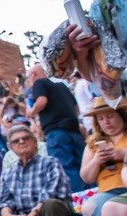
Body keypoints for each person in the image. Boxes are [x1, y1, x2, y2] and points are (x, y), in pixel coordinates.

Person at [25, 65, 88, 193]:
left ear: (33, 75)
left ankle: (78, 198)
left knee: (66, 166)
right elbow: (75, 108)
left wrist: (31, 112)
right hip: (74, 130)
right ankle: (92, 194)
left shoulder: (39, 83)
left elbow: (42, 101)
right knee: (83, 164)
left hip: (56, 131)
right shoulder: (62, 86)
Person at [78, 96, 127, 216]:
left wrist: (123, 154)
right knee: (88, 208)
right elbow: (86, 178)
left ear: (122, 115)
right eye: (101, 119)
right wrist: (96, 161)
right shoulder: (93, 143)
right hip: (109, 192)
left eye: (110, 116)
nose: (106, 122)